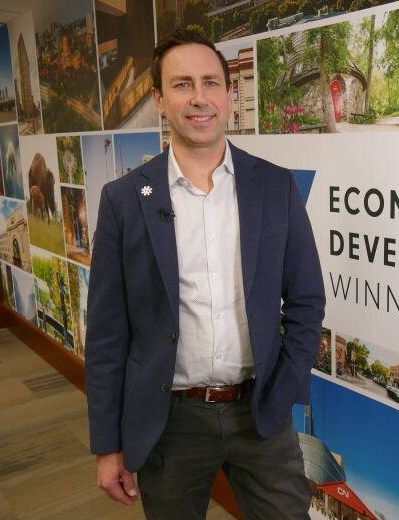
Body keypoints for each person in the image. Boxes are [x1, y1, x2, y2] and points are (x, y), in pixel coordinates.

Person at [85, 29, 325, 520]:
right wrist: (107, 445)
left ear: (229, 95)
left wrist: (282, 393)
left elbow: (306, 302)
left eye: (211, 82)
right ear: (158, 100)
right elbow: (107, 334)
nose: (199, 98)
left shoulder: (275, 187)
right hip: (170, 419)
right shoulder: (124, 200)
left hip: (260, 411)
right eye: (182, 84)